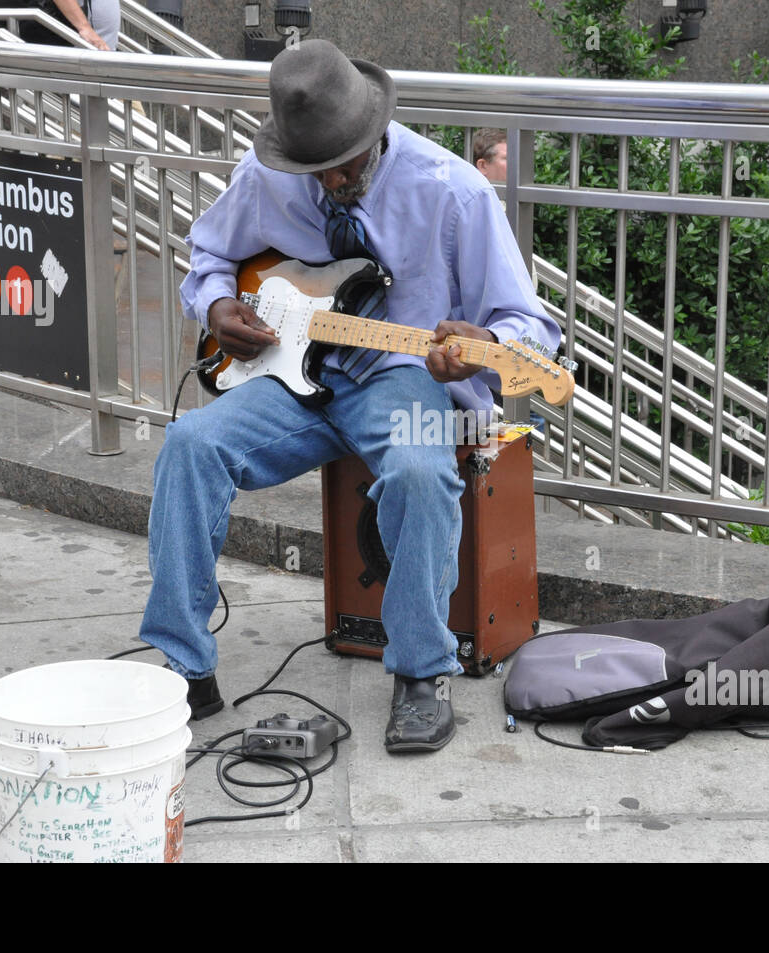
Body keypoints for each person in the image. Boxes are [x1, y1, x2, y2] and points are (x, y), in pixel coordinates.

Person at [139, 40, 560, 753]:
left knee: (423, 472)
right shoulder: (265, 175)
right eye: (314, 168)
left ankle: (422, 673)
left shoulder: (453, 190)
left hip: (403, 378)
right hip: (290, 375)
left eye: (346, 161)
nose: (331, 178)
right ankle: (185, 664)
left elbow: (532, 330)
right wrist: (216, 308)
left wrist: (476, 349)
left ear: (375, 132)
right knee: (188, 445)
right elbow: (208, 254)